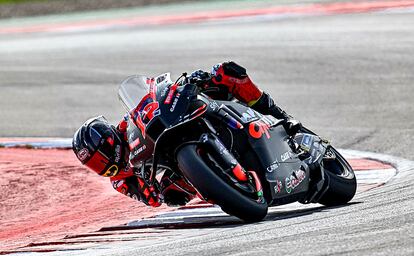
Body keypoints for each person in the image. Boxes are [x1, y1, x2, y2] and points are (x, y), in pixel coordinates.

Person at [72, 61, 301, 207]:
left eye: (106, 161)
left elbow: (152, 97)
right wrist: (151, 189)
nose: (111, 167)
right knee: (173, 196)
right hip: (180, 170)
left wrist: (184, 85)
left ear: (111, 140)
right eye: (102, 169)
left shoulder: (127, 124)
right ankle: (227, 185)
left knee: (227, 74)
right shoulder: (120, 181)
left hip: (180, 123)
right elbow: (152, 200)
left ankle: (281, 116)